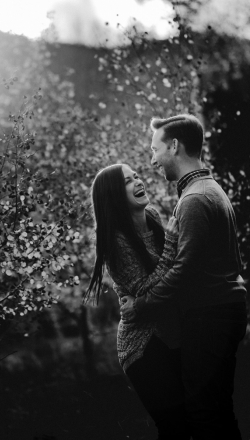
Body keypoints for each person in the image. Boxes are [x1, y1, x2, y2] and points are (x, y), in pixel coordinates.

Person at [120, 114, 248, 440]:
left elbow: (182, 270)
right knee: (214, 410)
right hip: (220, 311)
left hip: (211, 316)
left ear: (174, 146)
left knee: (207, 414)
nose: (152, 159)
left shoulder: (194, 199)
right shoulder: (204, 191)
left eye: (155, 148)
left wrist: (141, 306)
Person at [85, 163, 190, 440]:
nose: (138, 182)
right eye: (127, 182)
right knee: (175, 427)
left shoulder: (154, 217)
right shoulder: (114, 241)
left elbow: (175, 276)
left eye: (137, 176)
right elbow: (146, 290)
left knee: (197, 419)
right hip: (142, 346)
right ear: (113, 196)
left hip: (173, 333)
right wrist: (171, 245)